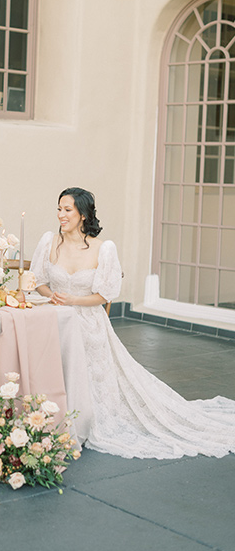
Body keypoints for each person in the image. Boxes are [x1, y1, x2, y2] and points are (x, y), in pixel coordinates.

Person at [30, 186, 235, 459]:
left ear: (82, 215)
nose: (61, 215)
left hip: (88, 325)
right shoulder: (49, 242)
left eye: (67, 210)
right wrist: (53, 296)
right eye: (59, 209)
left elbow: (105, 295)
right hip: (54, 319)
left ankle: (84, 418)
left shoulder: (103, 249)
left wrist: (73, 301)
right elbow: (39, 282)